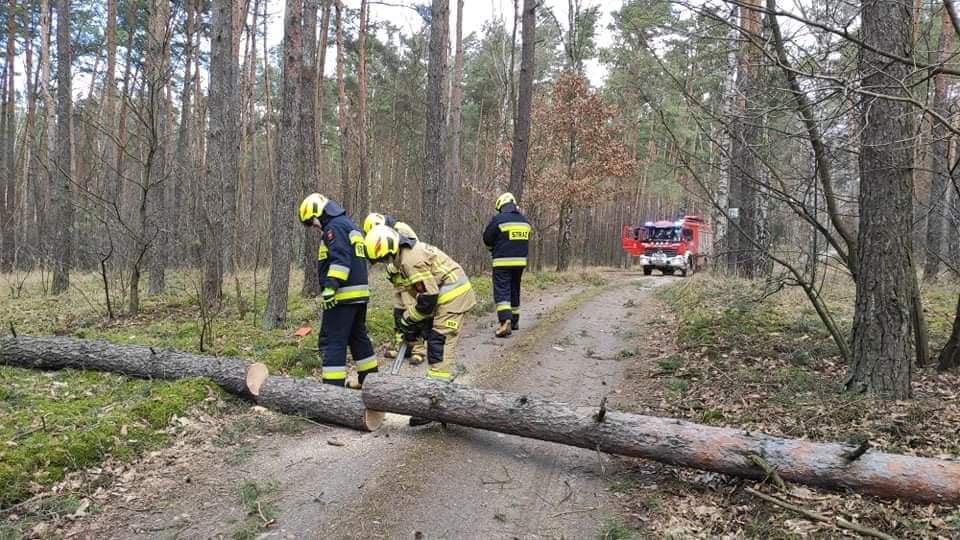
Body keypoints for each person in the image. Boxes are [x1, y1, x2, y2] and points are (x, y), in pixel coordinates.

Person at [364, 225, 476, 426]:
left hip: (453, 298)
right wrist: (415, 321)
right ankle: (435, 395)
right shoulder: (403, 256)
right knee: (432, 337)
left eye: (383, 259)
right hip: (443, 297)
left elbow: (428, 298)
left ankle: (435, 404)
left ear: (389, 249)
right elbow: (423, 295)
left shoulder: (410, 261)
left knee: (438, 345)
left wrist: (410, 319)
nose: (384, 263)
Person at [298, 193, 378, 388]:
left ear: (318, 212)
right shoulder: (350, 226)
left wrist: (331, 288)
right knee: (358, 338)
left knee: (333, 341)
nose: (314, 226)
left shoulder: (334, 228)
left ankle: (332, 391)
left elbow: (340, 260)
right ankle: (373, 383)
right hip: (359, 296)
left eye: (312, 221)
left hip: (343, 297)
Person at [362, 212, 426, 365]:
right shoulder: (387, 233)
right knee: (398, 313)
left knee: (412, 314)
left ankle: (418, 349)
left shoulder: (401, 229)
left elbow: (411, 252)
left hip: (409, 280)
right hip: (399, 281)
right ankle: (401, 346)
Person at [482, 192, 531, 337]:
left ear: (501, 206)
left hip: (502, 262)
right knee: (514, 289)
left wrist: (493, 248)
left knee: (502, 290)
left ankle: (504, 322)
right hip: (520, 262)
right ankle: (514, 321)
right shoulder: (524, 221)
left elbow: (487, 238)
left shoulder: (499, 219)